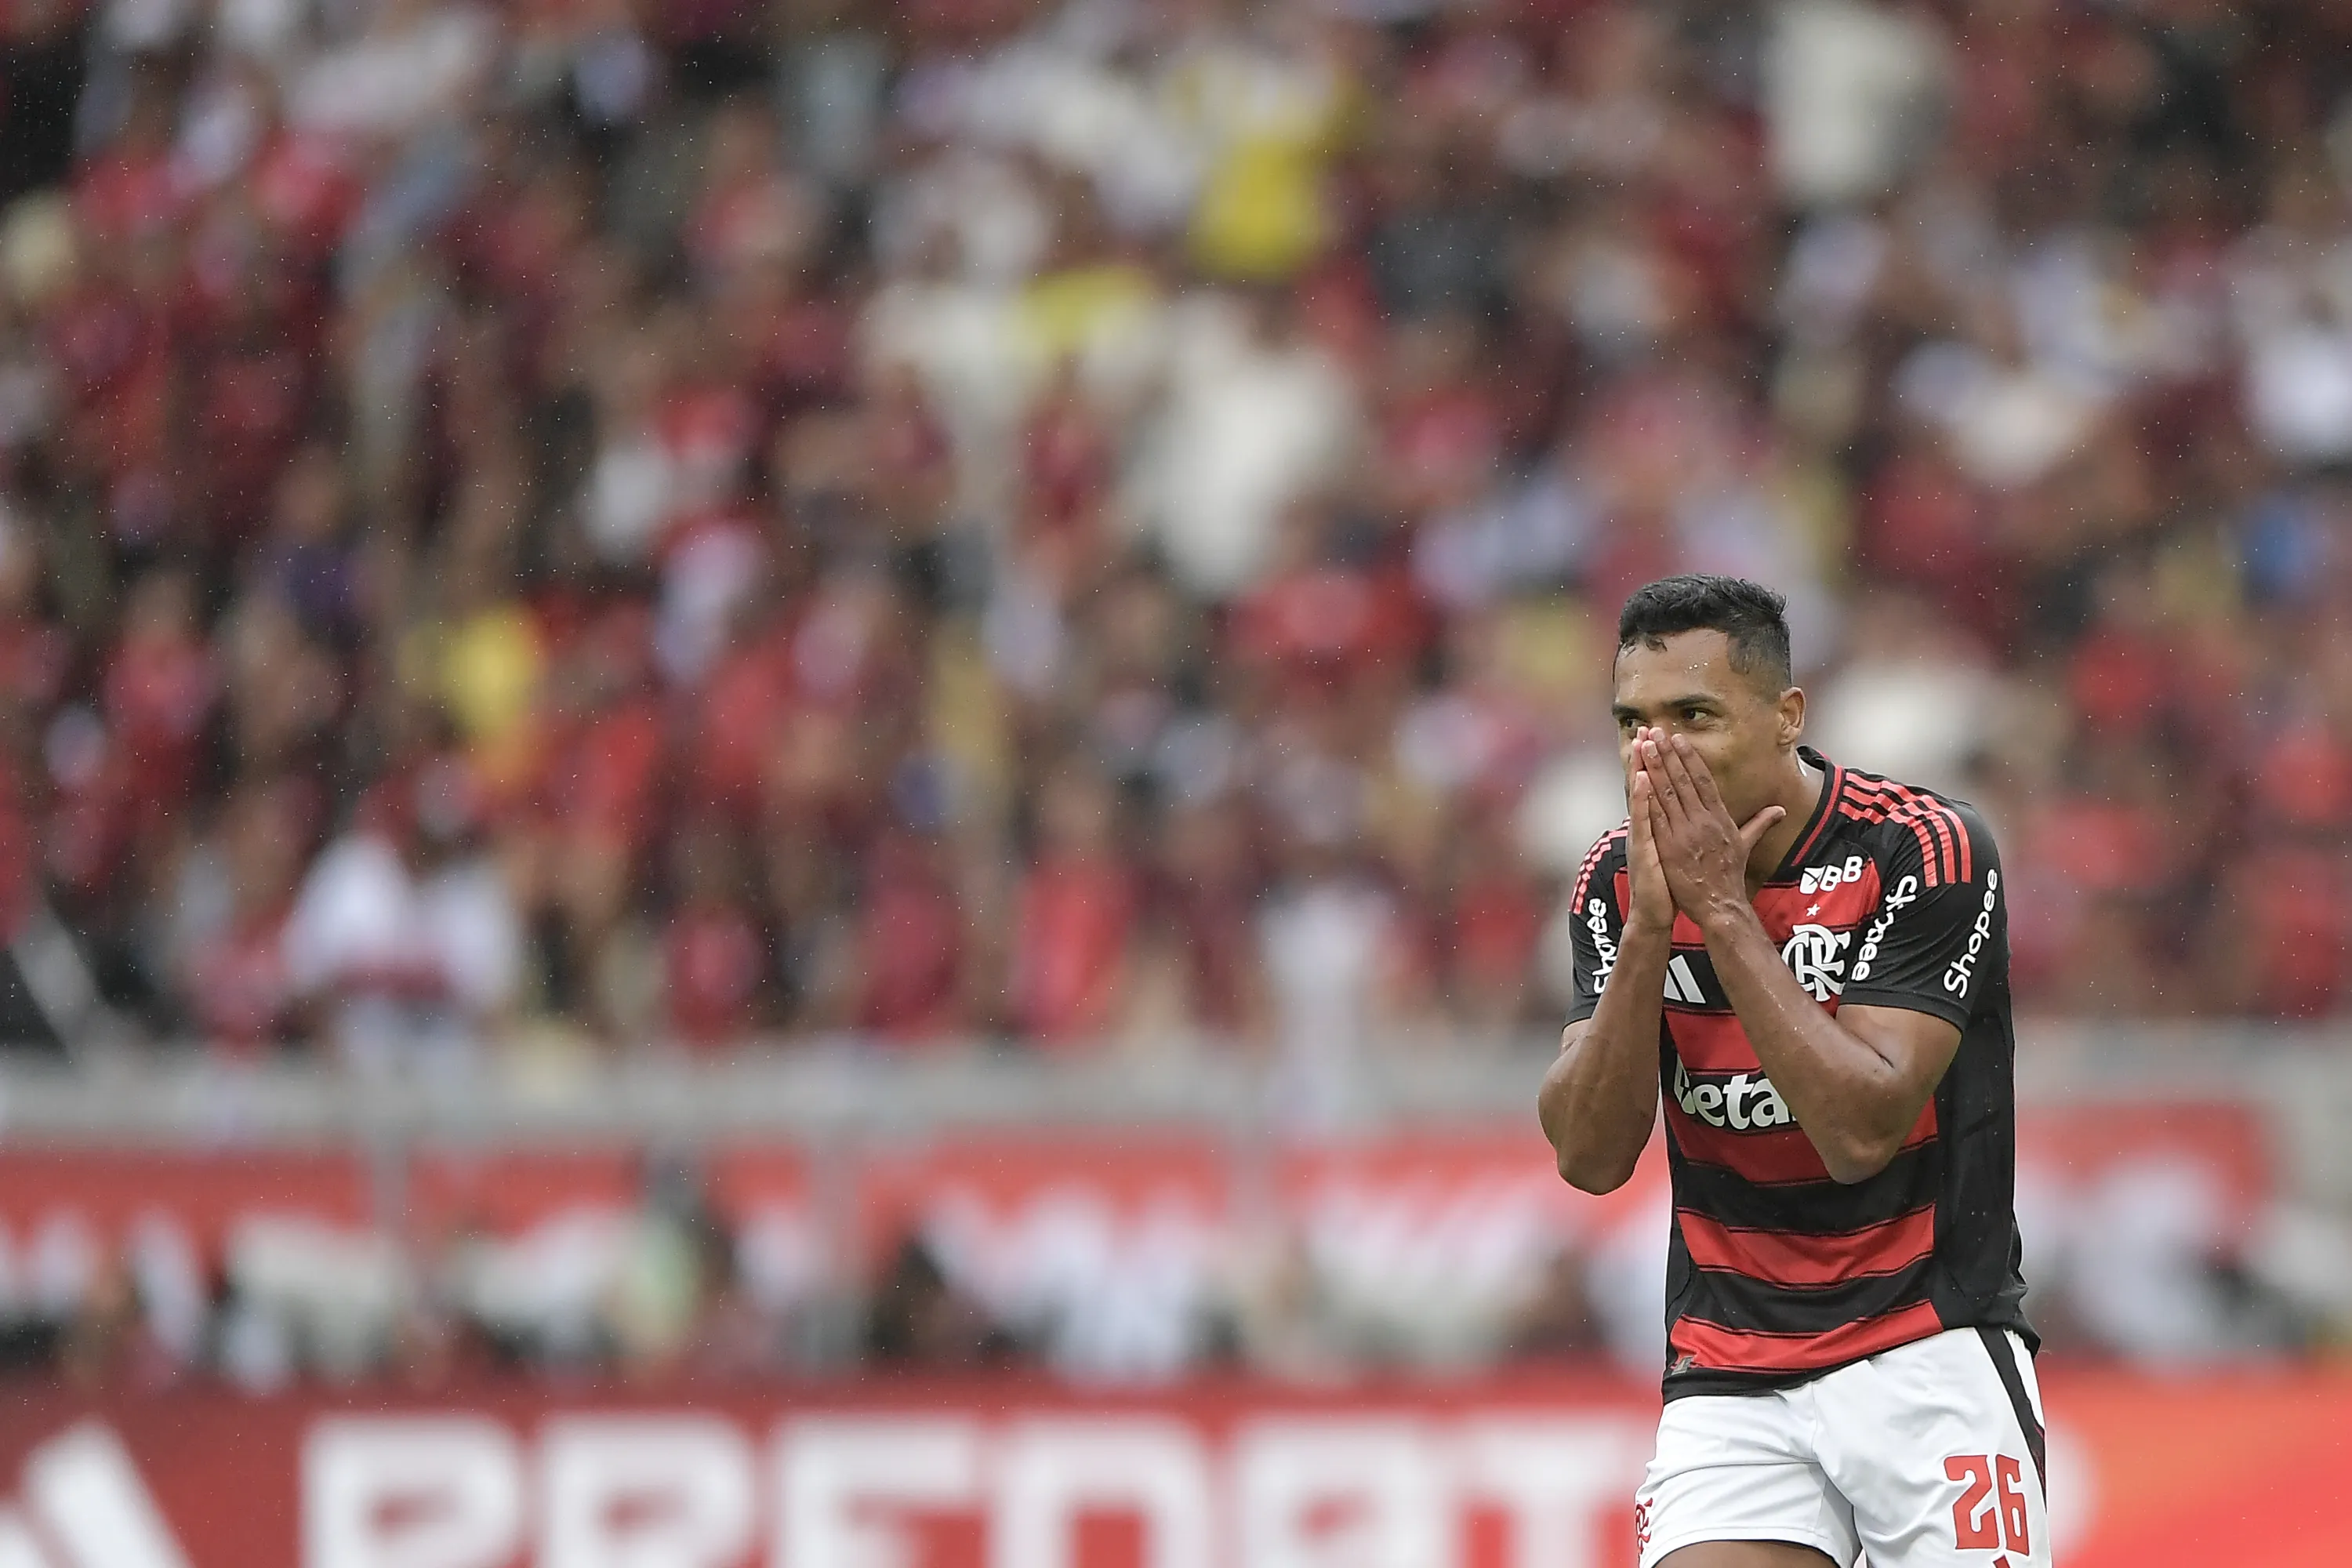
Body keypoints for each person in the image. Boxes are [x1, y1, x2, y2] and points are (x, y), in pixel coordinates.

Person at [1538, 575, 2044, 1568]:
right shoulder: (1612, 881)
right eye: (1633, 722)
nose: (1657, 754)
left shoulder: (1924, 849)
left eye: (1693, 715)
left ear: (1786, 717)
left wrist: (1722, 912)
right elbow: (1590, 1157)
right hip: (1732, 1368)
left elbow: (1860, 1132)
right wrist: (1652, 924)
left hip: (1927, 1345)